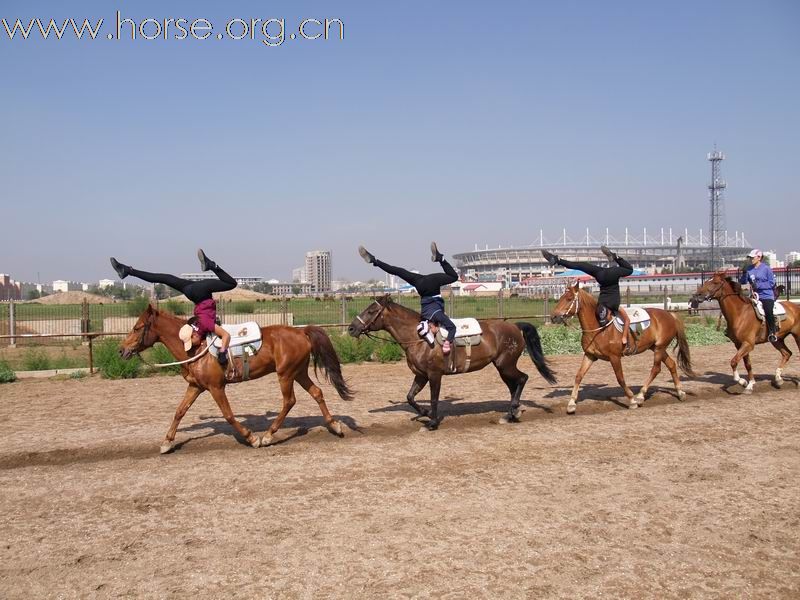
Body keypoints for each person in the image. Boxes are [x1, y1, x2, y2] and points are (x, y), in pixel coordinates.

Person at [109, 249, 236, 365]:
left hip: (196, 294)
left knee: (165, 278)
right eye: (191, 341)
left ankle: (129, 271)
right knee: (231, 283)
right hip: (199, 293)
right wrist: (223, 353)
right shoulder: (203, 324)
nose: (191, 343)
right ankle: (211, 265)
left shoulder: (197, 325)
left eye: (190, 340)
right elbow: (225, 335)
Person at [359, 242, 459, 354]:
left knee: (398, 271)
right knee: (454, 277)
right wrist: (448, 342)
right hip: (430, 284)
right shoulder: (434, 315)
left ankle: (374, 261)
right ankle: (440, 258)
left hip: (421, 282)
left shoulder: (427, 316)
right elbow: (452, 328)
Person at [542, 245, 636, 353]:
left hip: (601, 284)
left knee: (582, 266)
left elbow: (579, 266)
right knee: (619, 319)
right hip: (613, 297)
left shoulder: (599, 277)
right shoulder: (616, 273)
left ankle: (558, 260)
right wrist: (617, 258)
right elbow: (630, 269)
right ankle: (614, 256)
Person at [740, 248, 778, 342]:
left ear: (759, 257)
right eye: (750, 258)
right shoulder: (749, 269)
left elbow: (772, 283)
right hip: (754, 296)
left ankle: (772, 332)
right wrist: (744, 274)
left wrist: (759, 285)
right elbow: (743, 282)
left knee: (768, 311)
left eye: (753, 257)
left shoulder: (766, 268)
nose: (751, 259)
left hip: (766, 296)